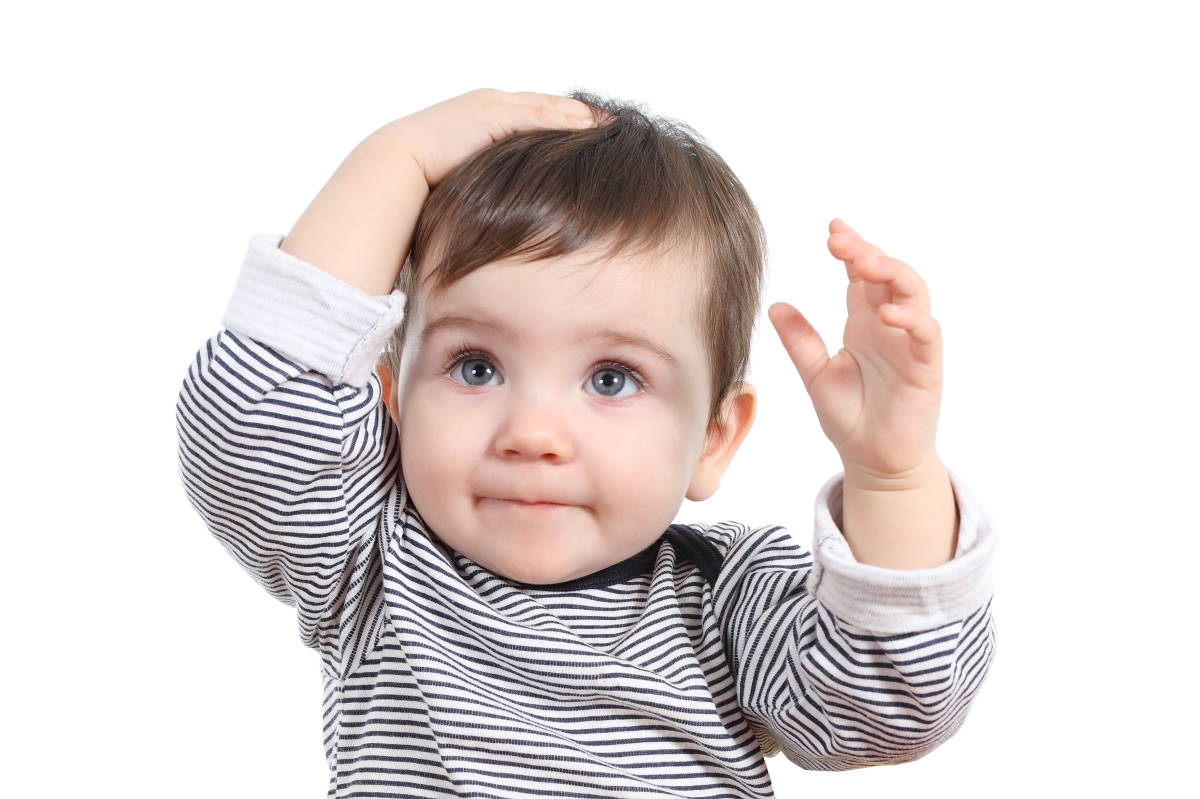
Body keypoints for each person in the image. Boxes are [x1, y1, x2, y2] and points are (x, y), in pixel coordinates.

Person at [177, 89, 995, 798]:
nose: (533, 432)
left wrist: (892, 478)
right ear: (391, 402)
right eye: (474, 366)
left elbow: (889, 705)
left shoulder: (723, 597)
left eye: (611, 379)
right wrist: (393, 161)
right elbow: (256, 416)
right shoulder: (374, 559)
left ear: (714, 438)